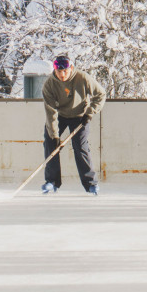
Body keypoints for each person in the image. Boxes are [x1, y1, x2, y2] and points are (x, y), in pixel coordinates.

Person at [41, 55, 106, 195]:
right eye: (59, 71)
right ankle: (52, 182)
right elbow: (50, 112)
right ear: (55, 70)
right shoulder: (49, 85)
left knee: (80, 147)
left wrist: (90, 113)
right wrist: (54, 135)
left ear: (70, 68)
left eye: (65, 71)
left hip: (80, 116)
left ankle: (90, 184)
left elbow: (101, 94)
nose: (62, 74)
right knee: (50, 144)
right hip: (60, 116)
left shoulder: (82, 78)